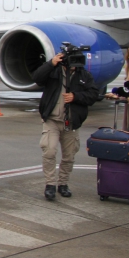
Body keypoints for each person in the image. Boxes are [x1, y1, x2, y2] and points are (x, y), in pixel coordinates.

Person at [31, 51, 99, 200]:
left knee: (69, 156)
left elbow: (94, 94)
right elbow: (37, 78)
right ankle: (50, 184)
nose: (74, 65)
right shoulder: (53, 71)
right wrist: (51, 63)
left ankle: (63, 184)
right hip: (52, 120)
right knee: (49, 151)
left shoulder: (84, 76)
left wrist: (76, 96)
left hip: (71, 122)